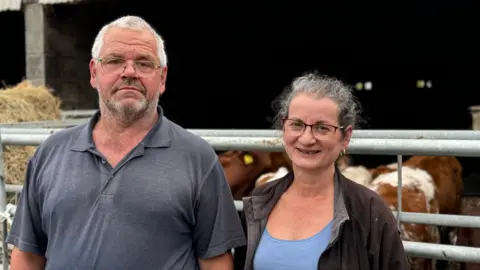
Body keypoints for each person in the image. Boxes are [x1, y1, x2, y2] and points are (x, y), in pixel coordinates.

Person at [6, 15, 246, 270]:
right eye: (115, 61)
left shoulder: (197, 158)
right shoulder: (51, 153)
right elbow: (28, 257)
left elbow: (216, 263)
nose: (129, 72)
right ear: (94, 72)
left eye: (144, 64)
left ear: (162, 78)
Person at [233, 72, 408, 269]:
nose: (307, 139)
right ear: (284, 128)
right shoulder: (258, 203)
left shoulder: (369, 211)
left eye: (322, 128)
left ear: (345, 137)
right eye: (297, 124)